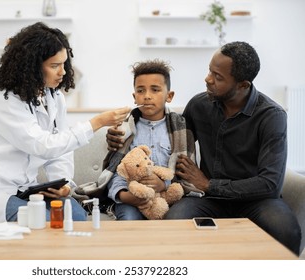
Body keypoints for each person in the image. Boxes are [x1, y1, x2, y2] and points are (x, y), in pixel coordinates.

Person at [106, 41, 301, 255]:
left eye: (218, 77)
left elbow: (270, 184)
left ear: (243, 85)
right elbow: (171, 136)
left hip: (256, 200)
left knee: (287, 231)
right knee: (174, 221)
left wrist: (208, 184)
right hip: (209, 201)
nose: (208, 79)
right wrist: (120, 136)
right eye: (210, 70)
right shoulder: (200, 105)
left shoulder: (272, 116)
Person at [0, 22, 130, 223]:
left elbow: (60, 152)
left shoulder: (54, 98)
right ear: (32, 67)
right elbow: (42, 145)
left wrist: (63, 185)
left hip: (25, 191)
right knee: (46, 222)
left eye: (64, 64)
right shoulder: (6, 99)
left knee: (75, 214)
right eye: (54, 66)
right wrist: (96, 123)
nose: (63, 72)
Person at [104, 59, 197, 220]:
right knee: (128, 220)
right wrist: (125, 196)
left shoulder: (182, 130)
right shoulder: (124, 130)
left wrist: (164, 185)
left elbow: (187, 175)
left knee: (175, 219)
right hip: (132, 197)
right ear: (134, 96)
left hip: (168, 196)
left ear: (169, 96)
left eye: (155, 90)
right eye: (140, 91)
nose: (147, 96)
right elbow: (117, 171)